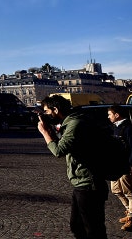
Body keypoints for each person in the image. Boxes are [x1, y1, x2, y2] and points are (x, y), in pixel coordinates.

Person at [37, 95, 108, 238]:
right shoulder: (71, 122)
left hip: (89, 183)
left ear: (55, 110)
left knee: (93, 229)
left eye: (46, 111)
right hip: (81, 183)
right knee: (77, 225)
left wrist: (45, 132)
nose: (45, 115)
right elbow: (65, 146)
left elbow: (59, 151)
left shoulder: (75, 124)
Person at [107, 105, 132, 231]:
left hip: (125, 165)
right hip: (116, 165)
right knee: (116, 190)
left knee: (129, 192)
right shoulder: (116, 128)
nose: (108, 117)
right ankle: (129, 211)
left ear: (117, 115)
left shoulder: (129, 128)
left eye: (110, 114)